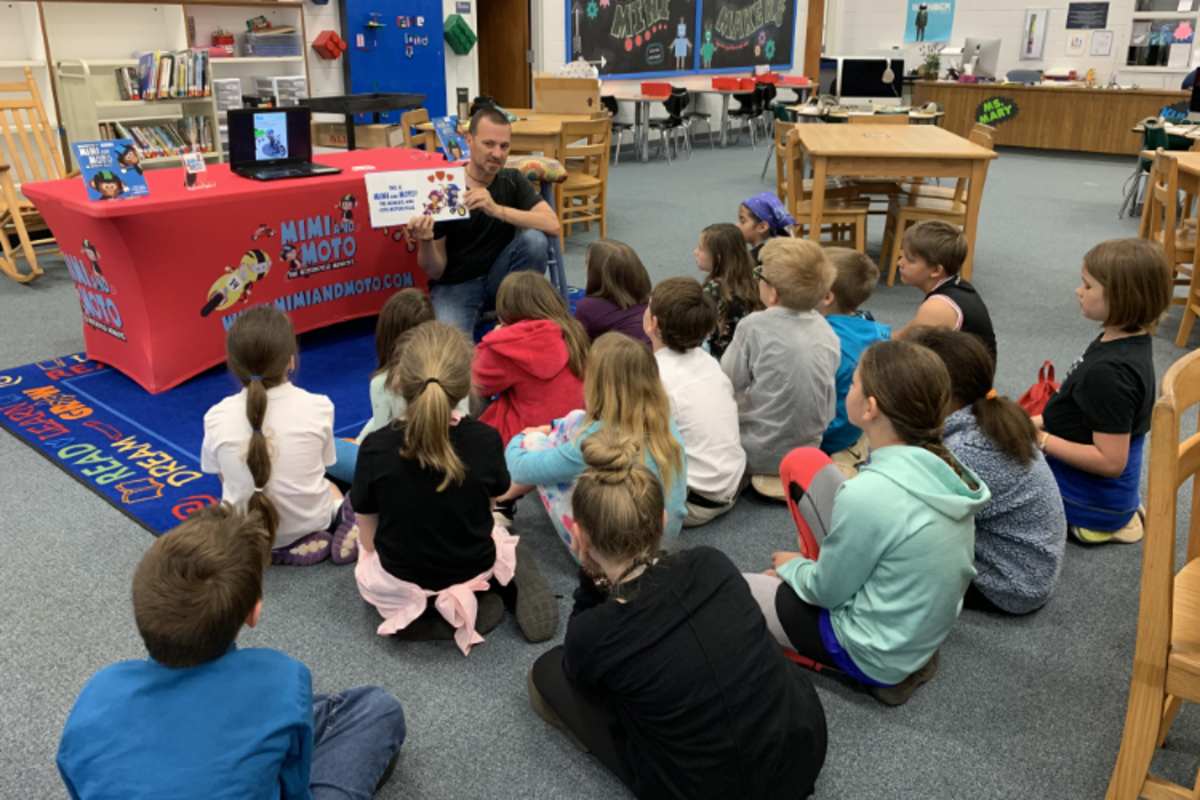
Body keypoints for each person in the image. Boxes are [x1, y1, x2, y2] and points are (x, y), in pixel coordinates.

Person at [527, 430, 827, 800]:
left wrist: (590, 577)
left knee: (549, 673)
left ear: (580, 538)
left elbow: (579, 672)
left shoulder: (594, 632)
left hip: (703, 791)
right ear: (662, 519)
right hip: (803, 753)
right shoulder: (711, 563)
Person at [57, 504, 406, 799]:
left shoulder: (96, 693)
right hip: (272, 709)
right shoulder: (282, 678)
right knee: (376, 708)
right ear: (254, 612)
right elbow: (294, 790)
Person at [745, 340, 990, 706]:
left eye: (855, 383)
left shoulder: (870, 494)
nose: (850, 388)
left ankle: (874, 672)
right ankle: (907, 655)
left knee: (736, 593)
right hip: (919, 626)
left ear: (870, 408)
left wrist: (794, 569)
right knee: (805, 462)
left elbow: (827, 592)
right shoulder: (943, 463)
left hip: (874, 649)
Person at [351, 321, 559, 648]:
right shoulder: (486, 440)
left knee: (369, 562)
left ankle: (423, 613)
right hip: (471, 565)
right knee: (501, 538)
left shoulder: (375, 447)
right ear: (464, 387)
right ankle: (490, 591)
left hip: (399, 577)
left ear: (399, 382)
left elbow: (369, 538)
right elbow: (487, 511)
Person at [910, 327, 1067, 614]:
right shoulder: (985, 418)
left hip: (1010, 584)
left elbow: (911, 513)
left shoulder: (966, 450)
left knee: (895, 559)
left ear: (940, 393)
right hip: (1030, 565)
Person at [1035, 238, 1172, 545]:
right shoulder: (1126, 339)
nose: (1078, 291)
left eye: (1087, 286)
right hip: (1103, 486)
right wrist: (1040, 421)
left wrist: (1041, 439)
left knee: (991, 474)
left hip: (1093, 500)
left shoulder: (1110, 374)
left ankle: (1101, 521)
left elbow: (1111, 463)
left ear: (1122, 298)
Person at [201, 306, 356, 566]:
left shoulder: (215, 416)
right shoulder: (319, 406)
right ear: (291, 360)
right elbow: (324, 465)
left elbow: (222, 476)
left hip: (244, 531)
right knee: (330, 483)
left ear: (233, 365)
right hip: (312, 520)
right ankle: (343, 514)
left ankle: (274, 549)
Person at [505, 332, 688, 552]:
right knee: (574, 419)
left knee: (536, 444)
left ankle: (502, 499)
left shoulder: (597, 438)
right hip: (664, 543)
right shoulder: (663, 418)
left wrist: (522, 436)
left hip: (611, 556)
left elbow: (519, 469)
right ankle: (506, 496)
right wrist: (554, 427)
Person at [407, 106, 560, 335]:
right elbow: (435, 271)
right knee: (451, 356)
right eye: (488, 144)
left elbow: (553, 224)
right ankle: (489, 314)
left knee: (535, 240)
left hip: (500, 282)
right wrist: (426, 241)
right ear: (469, 140)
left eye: (504, 146)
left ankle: (509, 309)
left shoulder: (512, 179)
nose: (497, 154)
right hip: (455, 285)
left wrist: (496, 209)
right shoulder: (444, 188)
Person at [720, 237, 839, 500]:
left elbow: (727, 381)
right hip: (808, 452)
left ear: (772, 293)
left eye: (759, 274)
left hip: (756, 452)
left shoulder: (753, 326)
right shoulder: (827, 332)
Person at [327, 289, 468, 484]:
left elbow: (382, 444)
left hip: (400, 476)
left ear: (387, 335)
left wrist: (359, 443)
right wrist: (361, 438)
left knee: (325, 447)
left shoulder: (384, 383)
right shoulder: (453, 371)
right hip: (453, 465)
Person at [644, 277, 746, 526]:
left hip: (691, 503)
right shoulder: (708, 361)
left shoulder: (655, 375)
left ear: (652, 323)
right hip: (731, 484)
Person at [473, 271, 588, 445]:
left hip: (528, 441)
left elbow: (474, 378)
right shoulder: (573, 330)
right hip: (576, 432)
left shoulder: (509, 343)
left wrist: (492, 339)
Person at [817, 248, 892, 477]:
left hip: (831, 434)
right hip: (860, 425)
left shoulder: (824, 340)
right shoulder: (876, 329)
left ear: (827, 296)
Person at [893, 220, 997, 360]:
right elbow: (902, 336)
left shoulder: (938, 307)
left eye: (910, 260)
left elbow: (905, 352)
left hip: (961, 379)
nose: (900, 263)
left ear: (936, 270)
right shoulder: (956, 284)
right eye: (902, 255)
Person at [695, 222, 764, 359]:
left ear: (718, 258)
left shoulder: (712, 291)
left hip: (720, 360)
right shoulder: (755, 280)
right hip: (751, 355)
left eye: (700, 249)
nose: (695, 252)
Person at [573, 239, 653, 345]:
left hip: (619, 360)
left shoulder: (587, 308)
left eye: (587, 264)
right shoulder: (654, 302)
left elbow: (578, 349)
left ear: (596, 274)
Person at [737, 192, 795, 263]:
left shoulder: (761, 261)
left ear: (762, 227)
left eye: (743, 221)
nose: (737, 225)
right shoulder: (780, 249)